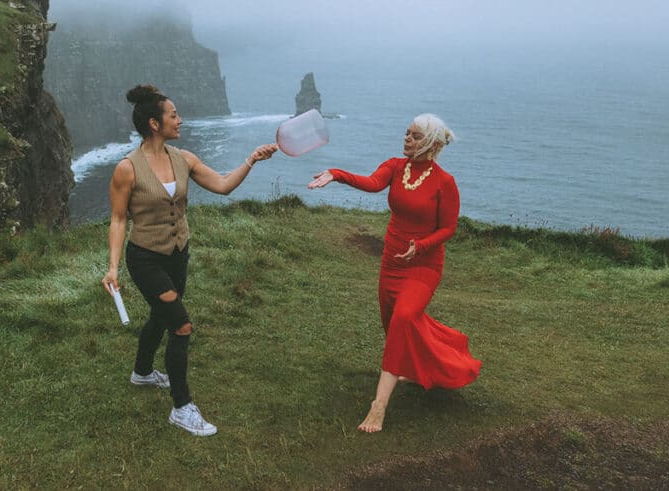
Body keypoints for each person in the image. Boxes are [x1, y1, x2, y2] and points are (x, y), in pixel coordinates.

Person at [102, 84, 278, 436]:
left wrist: (251, 160)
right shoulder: (126, 169)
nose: (180, 120)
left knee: (160, 314)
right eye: (173, 115)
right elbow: (119, 219)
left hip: (178, 254)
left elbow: (225, 185)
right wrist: (112, 266)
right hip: (145, 258)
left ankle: (142, 372)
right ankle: (182, 408)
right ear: (155, 123)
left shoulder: (184, 159)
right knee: (181, 325)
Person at [308, 113, 481, 433]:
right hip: (392, 262)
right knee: (394, 325)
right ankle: (414, 368)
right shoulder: (396, 167)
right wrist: (335, 174)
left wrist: (422, 245)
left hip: (424, 265)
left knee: (403, 319)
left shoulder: (445, 182)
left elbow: (448, 228)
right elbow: (372, 183)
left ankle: (378, 407)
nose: (406, 139)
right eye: (406, 133)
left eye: (414, 136)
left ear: (429, 143)